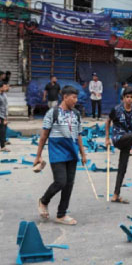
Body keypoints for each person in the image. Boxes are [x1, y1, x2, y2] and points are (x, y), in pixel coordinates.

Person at [35, 86, 87, 225]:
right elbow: (44, 135)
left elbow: (79, 135)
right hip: (57, 152)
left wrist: (83, 153)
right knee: (61, 181)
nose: (76, 100)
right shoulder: (53, 113)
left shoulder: (76, 114)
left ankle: (61, 214)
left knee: (69, 184)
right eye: (73, 97)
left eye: (77, 97)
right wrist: (38, 156)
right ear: (65, 97)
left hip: (72, 152)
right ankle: (43, 201)